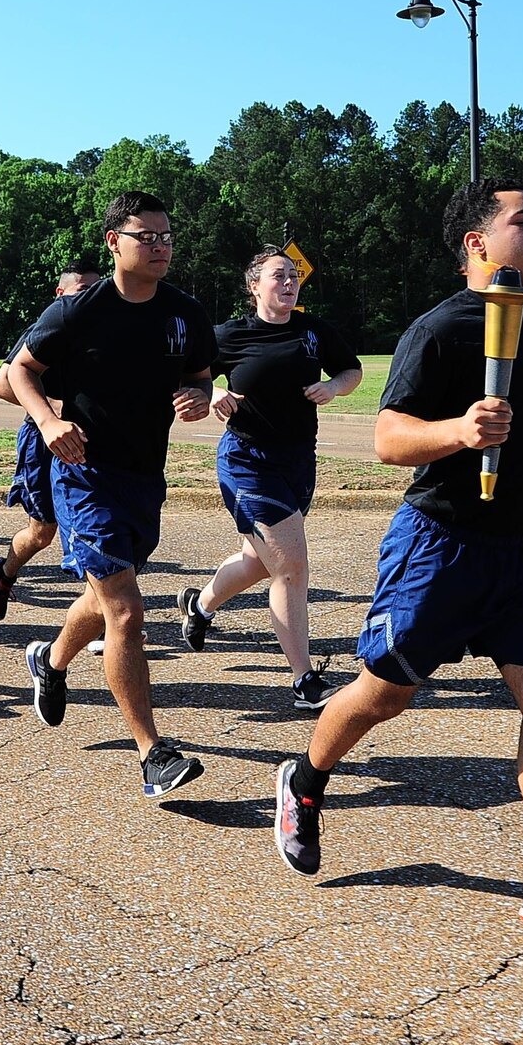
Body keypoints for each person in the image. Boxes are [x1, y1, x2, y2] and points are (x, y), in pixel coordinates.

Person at [269, 178, 523, 933]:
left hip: (516, 551)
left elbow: (521, 438)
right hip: (437, 547)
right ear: (479, 243)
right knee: (384, 695)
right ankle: (305, 781)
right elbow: (387, 439)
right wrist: (459, 433)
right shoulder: (439, 328)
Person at [5, 192, 216, 799]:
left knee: (103, 598)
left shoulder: (185, 314)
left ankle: (49, 661)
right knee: (125, 608)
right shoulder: (79, 312)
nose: (160, 246)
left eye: (167, 236)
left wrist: (198, 397)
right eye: (146, 236)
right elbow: (21, 370)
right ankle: (153, 754)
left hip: (144, 476)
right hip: (84, 474)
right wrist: (48, 423)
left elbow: (199, 376)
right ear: (113, 242)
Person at [178, 250, 362, 712]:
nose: (289, 282)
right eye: (279, 276)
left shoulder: (313, 331)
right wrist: (214, 392)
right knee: (292, 565)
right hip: (247, 461)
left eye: (294, 276)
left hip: (298, 460)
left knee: (260, 563)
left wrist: (334, 387)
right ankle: (304, 681)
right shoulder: (229, 335)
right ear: (254, 286)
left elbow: (352, 369)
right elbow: (186, 378)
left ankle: (199, 607)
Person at [0, 263, 101, 621]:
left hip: (90, 440)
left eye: (98, 290)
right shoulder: (48, 327)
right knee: (42, 531)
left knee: (90, 528)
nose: (91, 299)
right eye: (83, 290)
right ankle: (5, 572)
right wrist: (52, 411)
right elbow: (1, 384)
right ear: (61, 294)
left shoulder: (107, 331)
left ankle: (102, 619)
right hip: (42, 438)